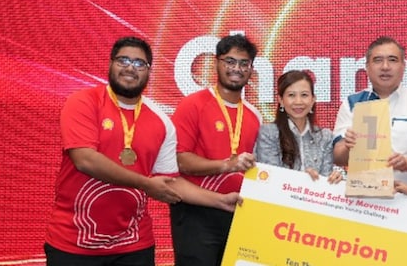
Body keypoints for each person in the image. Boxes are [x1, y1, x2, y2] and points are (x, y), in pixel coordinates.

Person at [45, 36, 236, 266]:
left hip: (134, 246)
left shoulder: (161, 121)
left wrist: (221, 201)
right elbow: (85, 160)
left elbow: (171, 182)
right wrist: (146, 183)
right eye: (123, 60)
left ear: (148, 71)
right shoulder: (84, 102)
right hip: (72, 243)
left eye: (139, 63)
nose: (130, 68)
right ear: (110, 63)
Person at [169, 34, 263, 266]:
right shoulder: (192, 105)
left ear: (251, 69)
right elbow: (180, 161)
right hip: (195, 212)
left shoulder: (254, 115)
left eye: (244, 63)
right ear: (216, 63)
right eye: (230, 61)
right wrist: (227, 165)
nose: (237, 69)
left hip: (237, 213)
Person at [332, 36, 407, 191]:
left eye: (392, 60)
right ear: (367, 67)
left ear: (403, 66)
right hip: (364, 193)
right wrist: (348, 146)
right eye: (378, 60)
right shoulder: (352, 103)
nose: (385, 67)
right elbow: (338, 157)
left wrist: (406, 163)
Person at [254, 70, 340, 183]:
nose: (298, 101)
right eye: (291, 95)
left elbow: (325, 181)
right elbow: (269, 179)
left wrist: (333, 180)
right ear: (281, 100)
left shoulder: (325, 136)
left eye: (304, 95)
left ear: (313, 99)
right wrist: (302, 180)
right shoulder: (269, 133)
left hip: (313, 194)